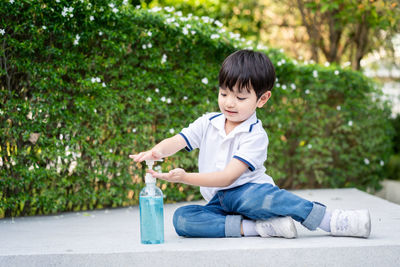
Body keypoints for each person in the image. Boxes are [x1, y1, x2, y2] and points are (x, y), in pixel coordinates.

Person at [130, 50, 371, 239]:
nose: (229, 103)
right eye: (224, 93)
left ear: (262, 99)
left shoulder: (255, 135)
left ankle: (332, 219)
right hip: (218, 203)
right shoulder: (208, 122)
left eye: (241, 97)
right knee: (182, 219)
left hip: (249, 194)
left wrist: (184, 177)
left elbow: (227, 178)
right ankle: (259, 229)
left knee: (267, 199)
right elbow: (179, 140)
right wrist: (156, 151)